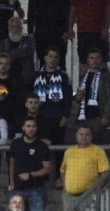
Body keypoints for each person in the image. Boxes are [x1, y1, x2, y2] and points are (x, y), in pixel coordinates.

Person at [8, 117, 52, 211]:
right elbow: (11, 164)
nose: (31, 129)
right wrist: (11, 182)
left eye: (33, 126)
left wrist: (30, 175)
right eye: (28, 126)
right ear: (23, 128)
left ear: (36, 128)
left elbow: (47, 169)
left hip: (36, 189)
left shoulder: (42, 146)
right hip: (17, 189)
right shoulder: (16, 144)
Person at [33, 47, 73, 176]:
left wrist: (66, 115)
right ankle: (42, 176)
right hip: (40, 117)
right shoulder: (36, 75)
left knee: (58, 149)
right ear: (45, 58)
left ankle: (58, 177)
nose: (52, 59)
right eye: (50, 56)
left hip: (58, 117)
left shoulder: (63, 76)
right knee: (41, 147)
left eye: (55, 57)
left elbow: (68, 98)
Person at [60, 125, 110, 211]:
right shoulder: (69, 151)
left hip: (88, 195)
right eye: (81, 134)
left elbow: (104, 173)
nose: (84, 137)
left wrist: (96, 191)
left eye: (87, 134)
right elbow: (62, 170)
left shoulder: (98, 151)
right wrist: (65, 187)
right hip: (69, 196)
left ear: (91, 137)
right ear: (76, 136)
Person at [75, 48, 110, 143]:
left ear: (101, 60)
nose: (95, 60)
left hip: (98, 116)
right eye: (92, 58)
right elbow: (79, 95)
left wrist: (106, 116)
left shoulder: (107, 76)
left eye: (97, 58)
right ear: (88, 60)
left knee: (97, 144)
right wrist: (77, 97)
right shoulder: (84, 75)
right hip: (84, 115)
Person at [66, 0, 110, 77]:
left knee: (102, 62)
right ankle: (83, 87)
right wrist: (70, 28)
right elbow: (73, 8)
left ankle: (105, 87)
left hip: (99, 31)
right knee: (83, 62)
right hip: (83, 32)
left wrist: (106, 27)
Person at [28, 0, 70, 66]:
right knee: (43, 59)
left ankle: (60, 76)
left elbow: (67, 9)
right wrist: (30, 31)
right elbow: (31, 11)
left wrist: (67, 30)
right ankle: (43, 76)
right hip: (42, 31)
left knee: (60, 59)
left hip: (59, 32)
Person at [5, 16, 36, 86]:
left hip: (25, 79)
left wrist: (11, 54)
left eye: (18, 26)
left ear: (22, 28)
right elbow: (3, 58)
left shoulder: (29, 40)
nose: (15, 29)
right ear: (9, 28)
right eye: (13, 27)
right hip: (8, 79)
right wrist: (20, 52)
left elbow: (27, 54)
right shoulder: (5, 42)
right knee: (0, 93)